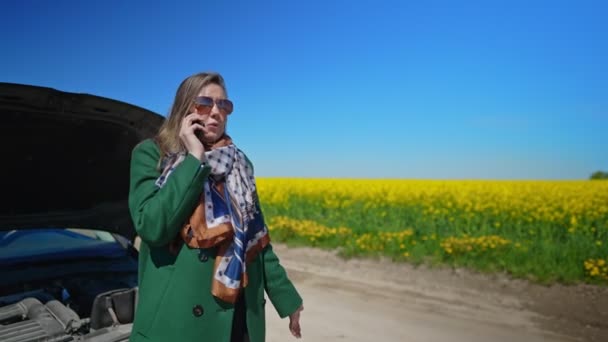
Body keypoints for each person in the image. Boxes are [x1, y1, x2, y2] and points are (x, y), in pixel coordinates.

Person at [128, 72, 303, 342]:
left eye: (224, 105)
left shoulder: (240, 164)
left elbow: (256, 238)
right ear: (184, 108)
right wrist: (194, 159)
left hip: (237, 314)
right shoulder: (152, 155)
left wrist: (286, 297)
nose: (216, 112)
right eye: (204, 103)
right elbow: (153, 226)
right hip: (178, 322)